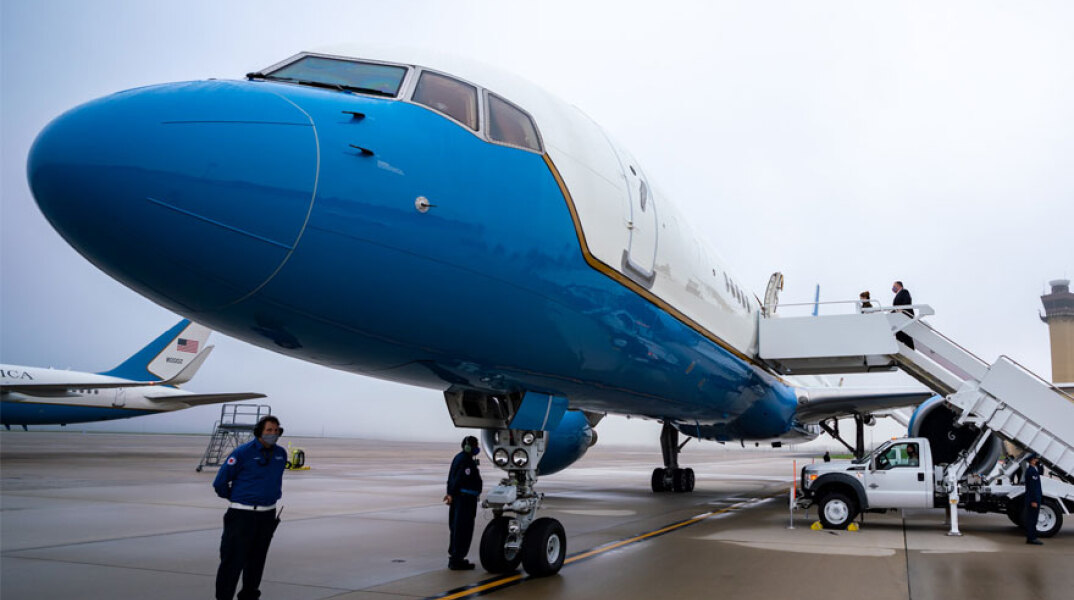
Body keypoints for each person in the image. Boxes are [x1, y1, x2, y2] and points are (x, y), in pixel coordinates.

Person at [213, 415, 288, 599]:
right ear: (259, 432)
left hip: (267, 515)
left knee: (256, 562)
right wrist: (237, 499)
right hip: (241, 516)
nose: (273, 433)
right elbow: (220, 483)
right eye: (269, 430)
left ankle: (249, 596)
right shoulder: (242, 453)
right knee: (232, 562)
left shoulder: (281, 454)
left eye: (276, 430)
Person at [444, 435, 483, 570]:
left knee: (456, 528)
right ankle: (457, 559)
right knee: (463, 529)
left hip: (460, 498)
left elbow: (451, 478)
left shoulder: (459, 457)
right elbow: (459, 479)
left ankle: (456, 557)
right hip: (465, 500)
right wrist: (452, 493)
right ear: (469, 446)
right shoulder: (466, 461)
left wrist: (450, 494)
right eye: (475, 446)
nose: (477, 448)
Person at [1024, 454, 1044, 545]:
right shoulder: (1031, 471)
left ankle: (1032, 537)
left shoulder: (1033, 469)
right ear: (1032, 460)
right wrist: (1034, 500)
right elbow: (1032, 487)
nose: (1036, 460)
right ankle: (1032, 538)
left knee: (1033, 519)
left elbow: (1040, 472)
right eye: (1035, 459)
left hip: (1035, 498)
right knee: (1032, 519)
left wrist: (1040, 465)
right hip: (1033, 499)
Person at [891, 281, 915, 350]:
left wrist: (902, 309)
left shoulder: (904, 291)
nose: (893, 288)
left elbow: (907, 300)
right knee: (899, 334)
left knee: (906, 334)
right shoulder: (898, 295)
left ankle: (910, 349)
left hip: (905, 315)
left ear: (898, 286)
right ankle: (902, 349)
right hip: (899, 318)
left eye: (894, 286)